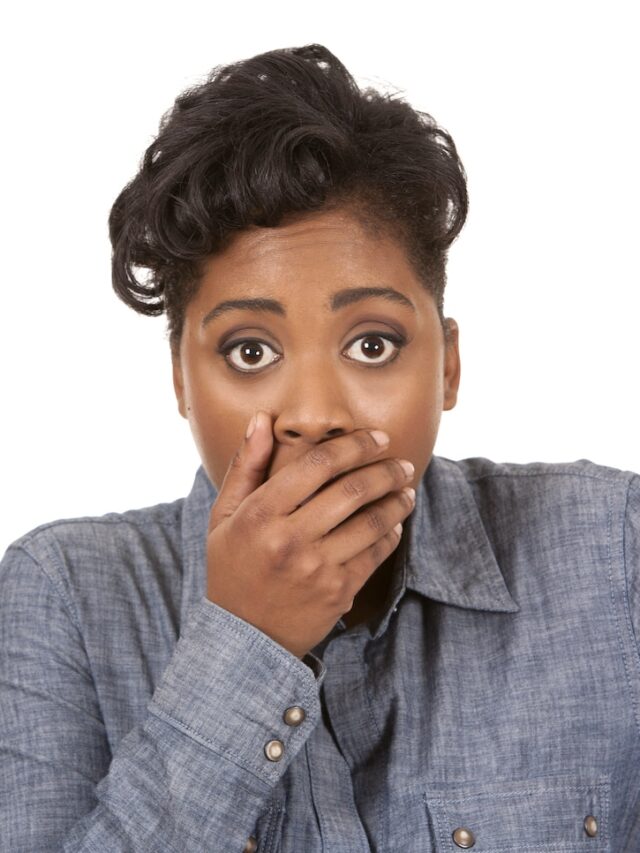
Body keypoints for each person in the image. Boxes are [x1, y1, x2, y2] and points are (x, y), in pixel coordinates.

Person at [1, 42, 638, 853]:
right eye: (250, 351)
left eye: (371, 343)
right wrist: (245, 645)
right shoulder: (65, 595)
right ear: (179, 382)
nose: (311, 414)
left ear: (446, 364)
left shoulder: (614, 551)